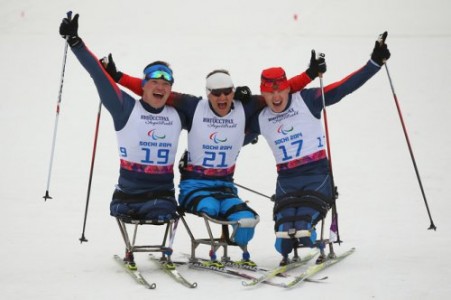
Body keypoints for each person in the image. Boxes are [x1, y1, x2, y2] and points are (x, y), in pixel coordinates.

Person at [102, 55, 324, 266]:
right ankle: (218, 243)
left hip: (225, 188)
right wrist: (118, 76)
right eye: (216, 93)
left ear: (233, 91)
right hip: (195, 187)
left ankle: (239, 246)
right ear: (208, 93)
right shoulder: (192, 106)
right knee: (209, 207)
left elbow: (278, 91)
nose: (222, 97)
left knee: (247, 222)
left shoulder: (244, 107)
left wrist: (310, 74)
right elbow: (149, 90)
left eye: (227, 92)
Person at [249, 32, 391, 265]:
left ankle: (311, 238)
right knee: (283, 237)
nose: (276, 97)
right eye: (269, 92)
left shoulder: (306, 100)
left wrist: (374, 63)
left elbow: (343, 88)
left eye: (280, 90)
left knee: (303, 227)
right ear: (263, 94)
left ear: (288, 89)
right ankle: (291, 247)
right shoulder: (260, 117)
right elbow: (234, 136)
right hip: (286, 179)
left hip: (316, 174)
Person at [59, 14, 183, 269]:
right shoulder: (125, 107)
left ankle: (166, 250)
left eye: (165, 84)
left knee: (166, 211)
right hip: (129, 196)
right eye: (154, 82)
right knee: (148, 209)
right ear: (143, 86)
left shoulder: (178, 113)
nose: (160, 88)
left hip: (164, 196)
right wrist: (75, 42)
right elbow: (98, 74)